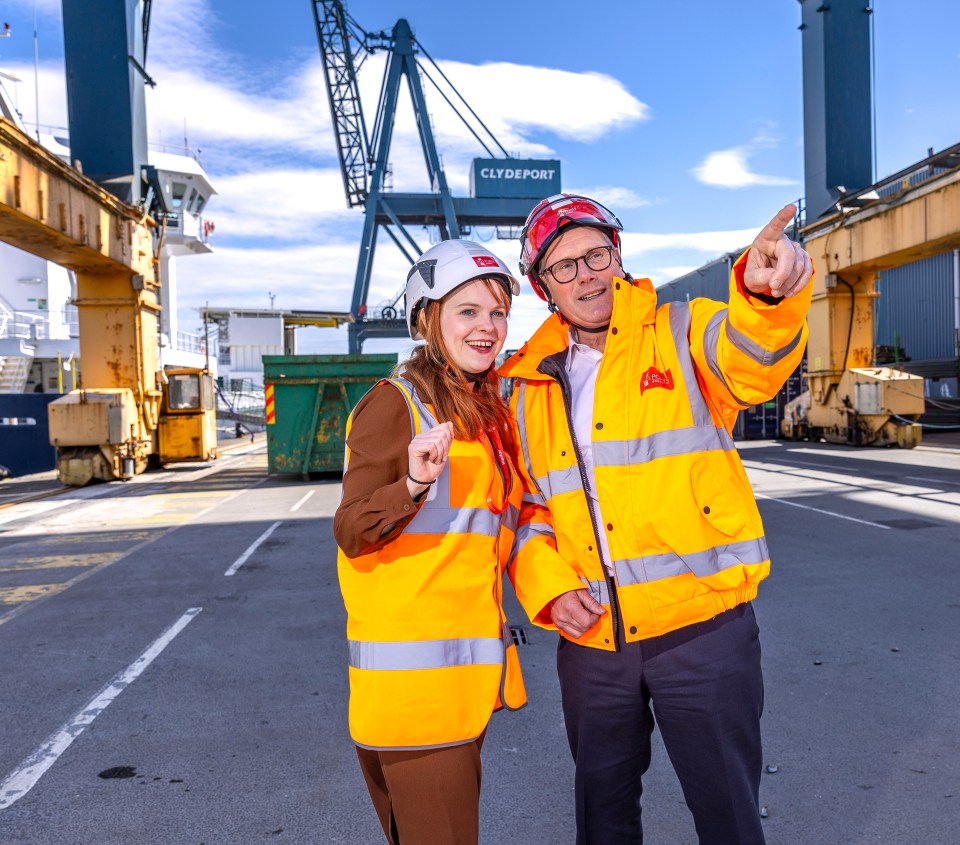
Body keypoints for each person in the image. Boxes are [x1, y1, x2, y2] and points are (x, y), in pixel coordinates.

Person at [500, 194, 813, 844]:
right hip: (595, 647)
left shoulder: (681, 329)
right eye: (565, 267)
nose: (586, 274)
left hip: (702, 631)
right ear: (544, 288)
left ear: (618, 256)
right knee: (603, 821)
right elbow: (526, 508)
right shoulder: (527, 387)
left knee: (729, 817)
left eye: (596, 255)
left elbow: (753, 363)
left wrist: (766, 298)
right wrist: (549, 587)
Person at [334, 239, 527, 845]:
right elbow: (352, 530)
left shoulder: (480, 410)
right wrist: (415, 482)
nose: (487, 327)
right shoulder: (396, 405)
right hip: (417, 700)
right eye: (468, 311)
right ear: (428, 320)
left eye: (497, 312)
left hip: (454, 689)